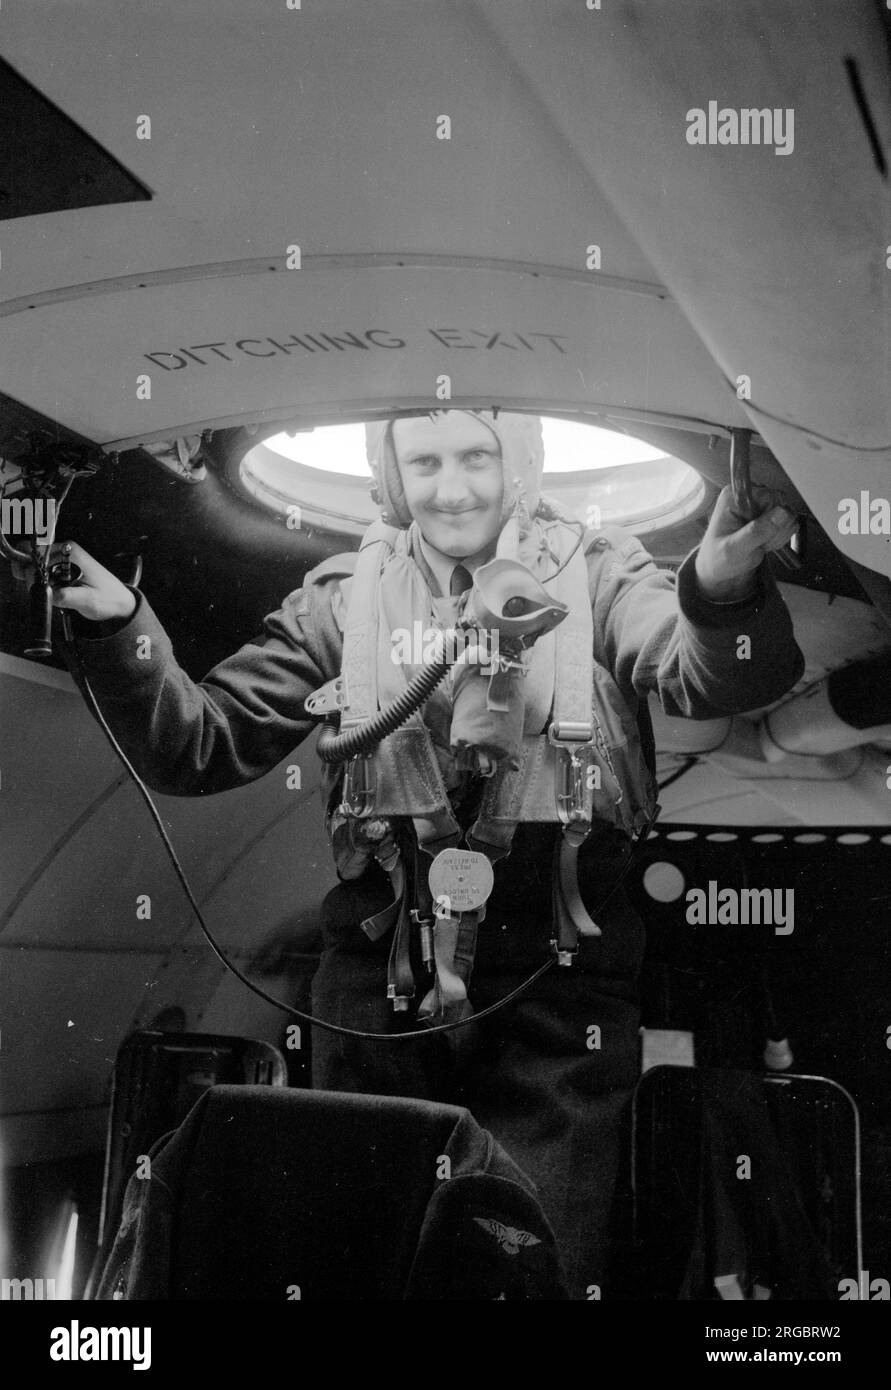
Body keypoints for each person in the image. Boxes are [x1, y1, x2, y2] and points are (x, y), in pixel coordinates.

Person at [53, 409, 804, 1298]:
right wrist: (122, 632)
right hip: (377, 983)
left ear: (520, 464)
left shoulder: (603, 575)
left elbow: (716, 675)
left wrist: (716, 586)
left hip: (558, 990)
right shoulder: (339, 599)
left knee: (529, 1260)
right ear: (391, 475)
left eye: (478, 457)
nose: (453, 488)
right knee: (357, 1257)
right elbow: (198, 746)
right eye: (426, 462)